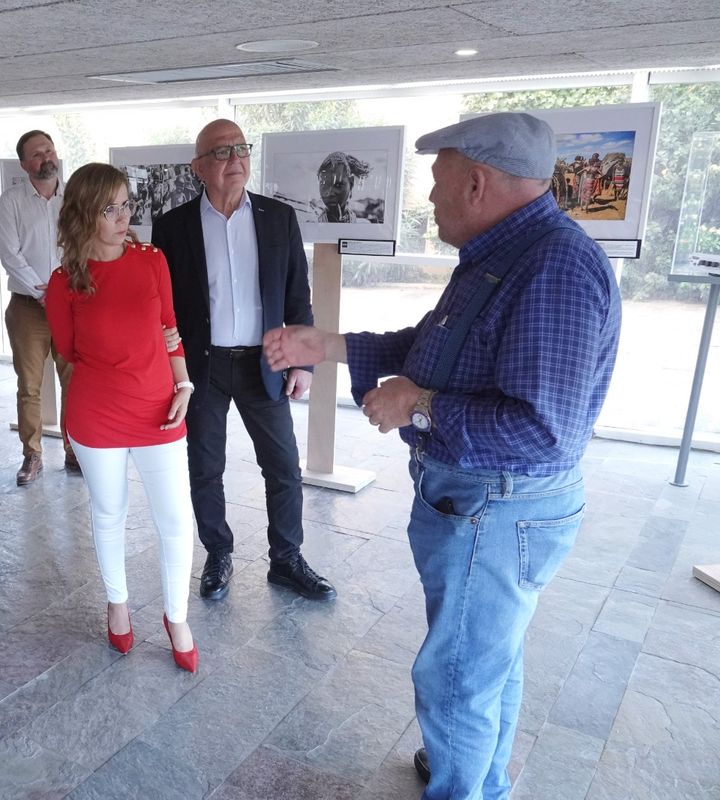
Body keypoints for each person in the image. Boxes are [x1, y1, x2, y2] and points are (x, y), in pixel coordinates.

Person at [263, 112, 622, 800]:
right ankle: (476, 769)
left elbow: (546, 434)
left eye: (438, 183)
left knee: (458, 673)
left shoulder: (552, 268)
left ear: (478, 183)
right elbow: (434, 345)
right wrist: (328, 346)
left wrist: (418, 405)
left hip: (497, 508)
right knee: (485, 660)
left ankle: (465, 784)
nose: (429, 199)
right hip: (480, 505)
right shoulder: (501, 255)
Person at [151, 119, 335, 603]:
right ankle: (218, 552)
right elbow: (162, 309)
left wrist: (303, 362)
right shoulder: (172, 227)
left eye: (241, 149)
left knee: (283, 466)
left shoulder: (278, 218)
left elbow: (298, 295)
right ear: (198, 168)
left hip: (266, 364)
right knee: (205, 466)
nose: (235, 159)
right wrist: (172, 375)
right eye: (220, 151)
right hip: (203, 368)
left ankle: (287, 559)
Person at [44, 163, 198, 672]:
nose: (122, 216)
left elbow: (170, 328)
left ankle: (176, 616)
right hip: (97, 414)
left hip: (159, 409)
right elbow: (67, 351)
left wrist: (183, 383)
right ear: (84, 214)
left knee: (176, 518)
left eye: (126, 204)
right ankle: (118, 603)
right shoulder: (63, 281)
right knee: (109, 512)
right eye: (109, 208)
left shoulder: (152, 260)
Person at [0, 130, 78, 484]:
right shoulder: (12, 200)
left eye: (49, 150)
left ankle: (75, 449)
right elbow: (9, 254)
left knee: (74, 381)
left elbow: (84, 246)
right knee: (29, 385)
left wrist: (64, 292)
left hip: (71, 304)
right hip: (28, 307)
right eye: (36, 154)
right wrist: (45, 292)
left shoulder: (74, 199)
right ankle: (32, 455)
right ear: (24, 164)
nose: (46, 158)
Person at [312, 151, 373, 223]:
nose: (330, 193)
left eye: (338, 185)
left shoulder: (363, 225)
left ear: (351, 185)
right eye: (324, 185)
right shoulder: (313, 225)